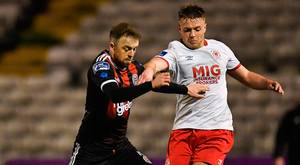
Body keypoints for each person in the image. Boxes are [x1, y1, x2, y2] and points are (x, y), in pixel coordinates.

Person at [138, 5, 285, 165]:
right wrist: (149, 70)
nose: (192, 34)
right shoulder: (175, 50)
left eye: (197, 29)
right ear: (179, 29)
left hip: (216, 130)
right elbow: (156, 63)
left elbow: (246, 76)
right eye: (187, 30)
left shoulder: (220, 49)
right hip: (183, 129)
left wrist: (267, 83)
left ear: (205, 27)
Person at [68, 22, 208, 165]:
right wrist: (150, 84)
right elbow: (115, 95)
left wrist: (185, 89)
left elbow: (157, 84)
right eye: (127, 49)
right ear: (112, 46)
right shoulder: (102, 66)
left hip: (119, 146)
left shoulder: (133, 66)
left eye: (134, 49)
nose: (131, 54)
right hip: (91, 149)